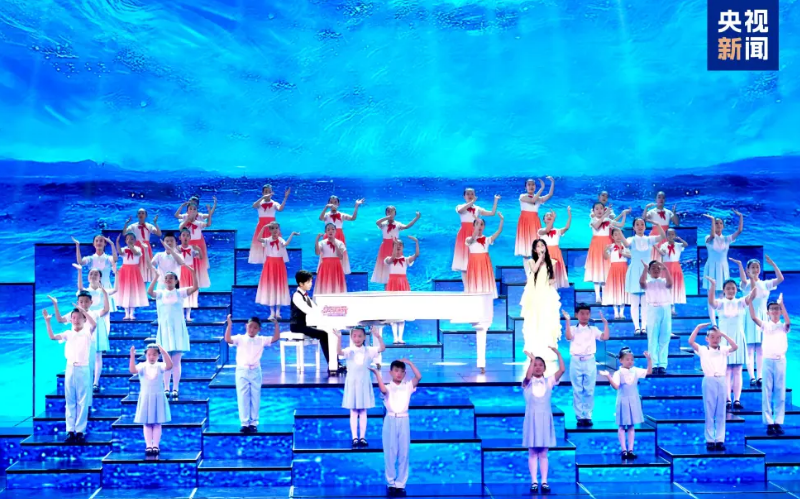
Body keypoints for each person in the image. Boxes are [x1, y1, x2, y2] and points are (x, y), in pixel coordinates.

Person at [43, 307, 96, 444]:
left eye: (79, 317)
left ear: (84, 319)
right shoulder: (68, 333)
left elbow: (94, 324)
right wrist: (47, 322)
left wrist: (84, 311)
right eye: (73, 318)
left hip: (83, 368)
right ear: (71, 320)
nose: (76, 320)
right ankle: (70, 430)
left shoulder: (87, 333)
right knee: (70, 400)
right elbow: (52, 337)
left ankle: (80, 431)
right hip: (70, 368)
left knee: (82, 400)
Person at [370, 359, 422, 497]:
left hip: (404, 420)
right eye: (396, 371)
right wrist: (377, 374)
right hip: (390, 419)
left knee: (404, 453)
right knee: (390, 452)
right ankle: (391, 483)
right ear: (391, 372)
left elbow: (418, 377)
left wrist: (410, 363)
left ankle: (401, 484)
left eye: (402, 371)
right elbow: (382, 390)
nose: (399, 374)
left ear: (405, 373)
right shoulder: (388, 387)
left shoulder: (408, 386)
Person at [148, 268, 199, 400]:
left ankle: (175, 388)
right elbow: (150, 292)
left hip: (177, 330)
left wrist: (193, 273)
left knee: (176, 361)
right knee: (166, 362)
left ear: (176, 281)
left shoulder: (180, 292)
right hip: (165, 330)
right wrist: (156, 277)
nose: (168, 280)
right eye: (166, 278)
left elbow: (195, 287)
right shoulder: (160, 294)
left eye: (171, 278)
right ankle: (166, 388)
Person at [225, 314, 281, 433]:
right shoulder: (240, 338)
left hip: (255, 371)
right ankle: (244, 423)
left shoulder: (261, 339)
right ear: (246, 326)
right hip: (242, 370)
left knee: (255, 396)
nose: (252, 329)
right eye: (250, 326)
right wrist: (229, 325)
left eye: (255, 327)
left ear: (259, 329)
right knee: (243, 396)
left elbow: (275, 338)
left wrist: (276, 325)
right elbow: (228, 339)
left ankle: (253, 423)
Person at [688, 323, 738, 451]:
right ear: (707, 339)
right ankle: (710, 439)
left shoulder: (723, 350)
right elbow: (691, 342)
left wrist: (723, 334)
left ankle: (720, 439)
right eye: (712, 337)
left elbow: (735, 346)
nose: (715, 340)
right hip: (709, 380)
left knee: (721, 411)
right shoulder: (703, 349)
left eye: (717, 337)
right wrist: (698, 328)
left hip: (721, 380)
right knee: (709, 410)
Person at [522, 346, 565, 494]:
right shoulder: (527, 383)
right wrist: (532, 360)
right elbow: (528, 377)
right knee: (533, 452)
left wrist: (558, 354)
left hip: (545, 420)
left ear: (545, 368)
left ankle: (544, 481)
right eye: (535, 365)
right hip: (532, 420)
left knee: (544, 453)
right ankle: (534, 481)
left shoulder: (549, 381)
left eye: (540, 365)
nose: (538, 367)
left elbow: (562, 370)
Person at [748, 293, 790, 436]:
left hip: (780, 361)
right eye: (772, 309)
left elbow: (788, 322)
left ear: (780, 311)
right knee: (766, 391)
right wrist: (750, 302)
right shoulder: (765, 325)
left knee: (780, 391)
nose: (775, 311)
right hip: (767, 361)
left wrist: (782, 305)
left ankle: (778, 421)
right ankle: (769, 423)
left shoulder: (783, 326)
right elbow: (754, 318)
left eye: (777, 309)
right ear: (768, 312)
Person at [337, 326, 386, 448]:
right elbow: (339, 352)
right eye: (354, 336)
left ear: (364, 337)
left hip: (364, 384)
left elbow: (382, 348)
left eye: (360, 336)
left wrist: (378, 337)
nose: (357, 338)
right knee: (353, 411)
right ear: (351, 337)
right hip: (352, 384)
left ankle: (363, 437)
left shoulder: (369, 350)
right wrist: (339, 339)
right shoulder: (350, 351)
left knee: (363, 410)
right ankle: (354, 437)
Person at [738, 255, 783, 386]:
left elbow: (780, 279)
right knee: (750, 348)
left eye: (757, 267)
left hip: (763, 317)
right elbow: (746, 283)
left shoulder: (765, 284)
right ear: (748, 270)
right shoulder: (745, 284)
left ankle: (760, 376)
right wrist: (742, 268)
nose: (755, 269)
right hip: (749, 317)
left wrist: (773, 264)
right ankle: (752, 376)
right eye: (752, 267)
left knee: (761, 349)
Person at [706, 277, 750, 411]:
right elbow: (711, 302)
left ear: (736, 290)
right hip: (724, 340)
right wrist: (713, 285)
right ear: (724, 290)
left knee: (737, 370)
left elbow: (752, 296)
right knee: (726, 371)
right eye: (728, 288)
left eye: (733, 288)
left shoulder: (741, 302)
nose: (731, 290)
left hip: (738, 338)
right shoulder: (721, 303)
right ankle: (727, 399)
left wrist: (753, 280)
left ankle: (737, 399)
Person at [599, 348, 652, 460]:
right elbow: (616, 386)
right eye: (627, 359)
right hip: (623, 401)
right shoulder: (618, 373)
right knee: (622, 426)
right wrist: (608, 376)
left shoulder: (635, 370)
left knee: (632, 426)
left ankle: (631, 450)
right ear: (621, 360)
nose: (630, 361)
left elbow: (648, 372)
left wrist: (649, 360)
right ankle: (624, 450)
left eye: (632, 359)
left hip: (634, 401)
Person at [521, 240, 562, 373]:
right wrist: (540, 258)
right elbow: (534, 270)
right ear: (535, 250)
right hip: (535, 296)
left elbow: (553, 278)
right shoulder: (531, 261)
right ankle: (535, 351)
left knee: (547, 321)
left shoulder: (552, 262)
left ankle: (548, 351)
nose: (540, 248)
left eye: (542, 245)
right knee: (535, 321)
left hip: (546, 295)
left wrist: (550, 281)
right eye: (538, 246)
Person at [564, 305, 609, 427]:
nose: (585, 316)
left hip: (589, 361)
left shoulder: (593, 329)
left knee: (589, 389)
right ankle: (579, 416)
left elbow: (605, 337)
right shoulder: (572, 329)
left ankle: (588, 416)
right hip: (576, 360)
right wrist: (567, 321)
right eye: (582, 313)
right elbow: (568, 337)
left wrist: (605, 324)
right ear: (577, 315)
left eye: (587, 314)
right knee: (577, 390)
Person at [72, 264, 114, 393]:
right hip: (84, 322)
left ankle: (95, 382)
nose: (93, 276)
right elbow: (80, 288)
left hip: (98, 320)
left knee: (97, 355)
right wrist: (80, 271)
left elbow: (106, 309)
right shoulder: (85, 292)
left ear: (100, 277)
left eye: (96, 274)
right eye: (91, 274)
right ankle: (85, 380)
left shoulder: (103, 291)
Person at [289, 270, 337, 374]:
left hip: (306, 324)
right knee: (324, 334)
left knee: (331, 331)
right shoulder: (297, 296)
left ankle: (335, 362)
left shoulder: (306, 296)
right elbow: (308, 311)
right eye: (308, 282)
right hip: (298, 325)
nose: (311, 284)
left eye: (311, 281)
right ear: (301, 284)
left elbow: (316, 309)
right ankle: (332, 364)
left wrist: (326, 312)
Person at [130, 344, 173, 456]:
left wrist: (164, 352)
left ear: (158, 355)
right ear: (145, 355)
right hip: (146, 397)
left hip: (158, 396)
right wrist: (132, 356)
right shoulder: (142, 366)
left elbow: (169, 366)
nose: (151, 357)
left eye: (154, 354)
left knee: (157, 422)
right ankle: (149, 445)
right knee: (147, 423)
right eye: (149, 355)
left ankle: (156, 445)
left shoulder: (160, 366)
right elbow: (132, 370)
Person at [702, 210, 744, 324]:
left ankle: (722, 320)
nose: (718, 225)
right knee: (711, 295)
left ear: (723, 226)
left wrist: (740, 216)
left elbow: (739, 231)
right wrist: (712, 220)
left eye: (720, 223)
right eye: (716, 223)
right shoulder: (707, 238)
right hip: (711, 267)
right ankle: (713, 323)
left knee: (721, 295)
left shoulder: (727, 239)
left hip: (723, 268)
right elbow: (712, 235)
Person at [626, 219, 667, 335]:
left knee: (646, 303)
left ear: (645, 227)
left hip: (647, 273)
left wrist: (657, 224)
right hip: (634, 272)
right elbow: (626, 244)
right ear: (633, 227)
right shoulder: (631, 239)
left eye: (642, 224)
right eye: (637, 225)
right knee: (634, 303)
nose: (640, 227)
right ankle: (636, 327)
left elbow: (663, 236)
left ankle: (644, 326)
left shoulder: (649, 239)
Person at [452, 188, 500, 285]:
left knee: (474, 259)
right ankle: (466, 287)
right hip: (463, 234)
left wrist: (495, 200)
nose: (470, 196)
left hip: (475, 233)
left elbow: (492, 213)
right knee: (464, 262)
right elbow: (461, 211)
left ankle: (474, 285)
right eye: (468, 194)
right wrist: (472, 202)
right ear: (464, 196)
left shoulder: (477, 208)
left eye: (472, 194)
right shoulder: (460, 206)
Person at [584, 203, 629, 303]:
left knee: (605, 271)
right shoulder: (593, 220)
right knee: (596, 270)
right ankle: (597, 296)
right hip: (596, 246)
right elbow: (596, 226)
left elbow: (620, 225)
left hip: (607, 245)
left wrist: (624, 214)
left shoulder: (608, 220)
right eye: (597, 209)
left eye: (601, 208)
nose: (599, 210)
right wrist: (605, 215)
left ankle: (604, 295)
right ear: (593, 211)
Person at [255, 223, 299, 320]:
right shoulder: (267, 240)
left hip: (279, 265)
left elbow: (286, 244)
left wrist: (292, 234)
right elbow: (258, 239)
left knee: (279, 287)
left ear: (279, 230)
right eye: (272, 228)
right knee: (271, 287)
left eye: (276, 228)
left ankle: (278, 312)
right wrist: (263, 227)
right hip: (269, 266)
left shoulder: (280, 240)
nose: (275, 230)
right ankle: (272, 312)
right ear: (270, 230)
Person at [639, 260, 673, 374]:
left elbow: (670, 284)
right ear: (649, 271)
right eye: (653, 268)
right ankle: (653, 364)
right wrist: (645, 269)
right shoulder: (647, 282)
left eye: (658, 268)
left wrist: (666, 269)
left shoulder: (664, 281)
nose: (656, 270)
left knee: (665, 337)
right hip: (653, 309)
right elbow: (641, 283)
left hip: (666, 309)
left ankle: (662, 364)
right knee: (653, 337)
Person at [385, 236, 420, 345]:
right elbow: (392, 258)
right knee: (393, 311)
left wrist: (416, 242)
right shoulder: (388, 259)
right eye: (396, 245)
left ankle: (400, 338)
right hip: (392, 285)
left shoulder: (406, 260)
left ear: (403, 247)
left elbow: (416, 255)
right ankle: (395, 338)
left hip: (403, 284)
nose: (398, 246)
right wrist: (395, 245)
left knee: (402, 311)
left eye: (400, 245)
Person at [371, 207, 420, 285]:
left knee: (396, 266)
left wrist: (416, 218)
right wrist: (387, 217)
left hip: (396, 246)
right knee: (386, 269)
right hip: (385, 247)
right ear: (386, 213)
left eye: (392, 211)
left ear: (395, 213)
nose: (390, 213)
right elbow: (377, 222)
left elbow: (407, 226)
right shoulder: (383, 224)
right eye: (388, 211)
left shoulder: (398, 224)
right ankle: (387, 288)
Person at [319, 195, 364, 275]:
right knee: (327, 254)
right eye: (331, 202)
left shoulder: (341, 215)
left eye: (335, 202)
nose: (333, 204)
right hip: (328, 237)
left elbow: (353, 218)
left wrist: (356, 206)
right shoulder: (326, 215)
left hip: (339, 236)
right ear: (328, 203)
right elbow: (320, 218)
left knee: (339, 255)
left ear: (338, 204)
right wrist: (326, 207)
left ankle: (339, 271)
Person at [73, 234, 118, 310]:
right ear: (93, 244)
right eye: (96, 241)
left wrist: (112, 244)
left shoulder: (108, 258)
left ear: (105, 243)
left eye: (101, 241)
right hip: (93, 288)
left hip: (106, 287)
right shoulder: (90, 258)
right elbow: (80, 262)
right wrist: (77, 246)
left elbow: (115, 260)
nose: (98, 243)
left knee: (107, 310)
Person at [248, 185, 291, 264]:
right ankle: (265, 262)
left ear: (272, 193)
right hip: (262, 226)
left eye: (269, 191)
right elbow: (254, 206)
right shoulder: (260, 203)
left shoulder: (274, 203)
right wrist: (262, 198)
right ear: (262, 193)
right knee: (262, 245)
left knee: (274, 243)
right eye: (266, 192)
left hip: (272, 227)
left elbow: (280, 209)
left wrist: (285, 198)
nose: (268, 193)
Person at [464, 214, 504, 298]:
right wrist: (478, 222)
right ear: (473, 226)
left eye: (482, 224)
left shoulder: (487, 239)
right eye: (477, 224)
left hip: (484, 264)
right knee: (474, 281)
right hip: (474, 264)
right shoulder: (469, 239)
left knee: (485, 281)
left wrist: (501, 220)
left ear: (484, 227)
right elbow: (473, 237)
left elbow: (499, 231)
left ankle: (486, 299)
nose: (480, 226)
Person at [515, 177, 554, 258]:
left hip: (534, 221)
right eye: (529, 185)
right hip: (525, 221)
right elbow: (532, 200)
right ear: (525, 187)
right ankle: (527, 265)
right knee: (525, 246)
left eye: (533, 185)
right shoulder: (522, 196)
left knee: (536, 245)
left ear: (535, 186)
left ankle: (537, 263)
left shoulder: (538, 199)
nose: (531, 186)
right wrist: (542, 188)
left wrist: (552, 182)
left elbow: (549, 195)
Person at [178, 202, 215, 288]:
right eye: (190, 209)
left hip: (198, 245)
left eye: (194, 209)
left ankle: (198, 281)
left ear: (197, 212)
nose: (192, 211)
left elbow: (208, 224)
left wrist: (209, 212)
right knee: (188, 263)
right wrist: (187, 220)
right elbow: (180, 228)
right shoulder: (184, 223)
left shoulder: (198, 223)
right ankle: (187, 281)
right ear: (187, 211)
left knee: (198, 263)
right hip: (188, 244)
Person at [115, 232, 150, 320]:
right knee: (125, 291)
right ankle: (126, 313)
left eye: (131, 239)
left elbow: (136, 253)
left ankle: (132, 313)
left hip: (134, 271)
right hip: (125, 271)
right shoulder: (124, 249)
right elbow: (120, 252)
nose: (129, 240)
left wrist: (130, 246)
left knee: (133, 291)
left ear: (135, 240)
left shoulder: (138, 248)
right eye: (127, 239)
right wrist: (117, 242)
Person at [124, 209, 162, 283]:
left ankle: (145, 282)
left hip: (146, 247)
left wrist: (155, 223)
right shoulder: (133, 226)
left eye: (142, 213)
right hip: (137, 247)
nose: (141, 214)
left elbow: (159, 234)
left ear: (146, 215)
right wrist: (126, 223)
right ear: (137, 215)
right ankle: (137, 280)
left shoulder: (149, 226)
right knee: (137, 263)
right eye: (139, 213)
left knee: (147, 263)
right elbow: (124, 233)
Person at [537, 206, 571, 289]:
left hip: (556, 253)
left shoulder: (557, 231)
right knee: (545, 271)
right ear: (544, 220)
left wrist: (569, 215)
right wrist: (552, 219)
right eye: (547, 216)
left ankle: (553, 290)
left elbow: (566, 227)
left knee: (554, 272)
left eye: (551, 215)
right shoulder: (540, 231)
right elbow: (547, 230)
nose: (549, 216)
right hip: (545, 253)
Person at [642, 192, 679, 261]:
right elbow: (644, 218)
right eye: (659, 197)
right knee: (654, 259)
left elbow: (677, 223)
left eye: (663, 198)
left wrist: (674, 212)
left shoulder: (668, 212)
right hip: (655, 237)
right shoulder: (652, 212)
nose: (661, 199)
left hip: (666, 237)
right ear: (656, 199)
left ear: (665, 200)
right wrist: (646, 207)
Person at [603, 228, 631, 319]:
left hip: (624, 270)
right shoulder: (611, 247)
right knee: (615, 290)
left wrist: (623, 254)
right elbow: (605, 257)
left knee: (623, 290)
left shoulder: (626, 246)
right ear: (612, 236)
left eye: (619, 234)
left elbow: (631, 256)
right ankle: (615, 312)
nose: (618, 237)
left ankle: (621, 312)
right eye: (616, 235)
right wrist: (605, 250)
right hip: (614, 270)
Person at [659, 229, 689, 314]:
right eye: (669, 234)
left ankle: (672, 308)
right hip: (666, 268)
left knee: (674, 287)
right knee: (666, 287)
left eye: (672, 234)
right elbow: (661, 255)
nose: (670, 236)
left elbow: (686, 244)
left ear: (675, 235)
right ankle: (665, 306)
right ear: (666, 236)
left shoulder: (678, 245)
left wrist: (679, 239)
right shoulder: (663, 245)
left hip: (676, 268)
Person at [314, 224, 347, 295]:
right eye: (328, 229)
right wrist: (316, 240)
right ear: (325, 231)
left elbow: (341, 257)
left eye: (332, 229)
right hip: (325, 266)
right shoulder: (322, 243)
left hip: (336, 266)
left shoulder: (340, 243)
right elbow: (317, 253)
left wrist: (335, 244)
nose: (330, 231)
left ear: (335, 231)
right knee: (325, 284)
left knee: (336, 284)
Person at [177, 229, 201, 321]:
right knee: (181, 291)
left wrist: (199, 249)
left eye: (187, 235)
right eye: (183, 235)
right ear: (180, 237)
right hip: (180, 271)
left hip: (190, 271)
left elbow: (200, 257)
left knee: (190, 292)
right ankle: (180, 314)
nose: (185, 237)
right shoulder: (177, 248)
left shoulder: (192, 248)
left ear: (190, 237)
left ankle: (188, 315)